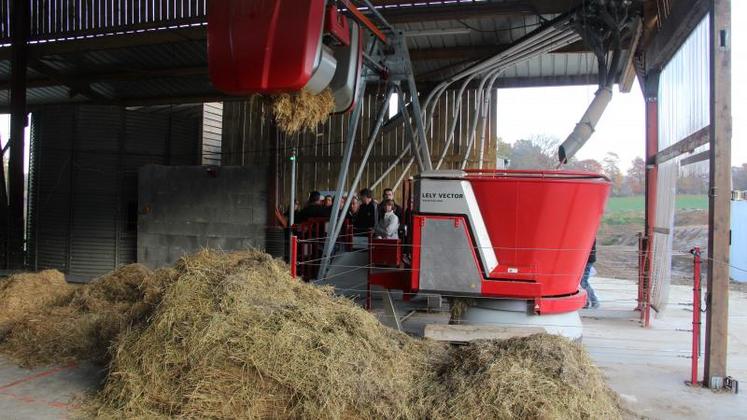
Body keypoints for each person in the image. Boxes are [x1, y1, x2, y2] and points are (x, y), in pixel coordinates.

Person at [580, 240, 600, 309]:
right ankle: (586, 302)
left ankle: (594, 301)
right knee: (582, 281)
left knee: (583, 282)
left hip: (587, 260)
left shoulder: (590, 235)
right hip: (586, 259)